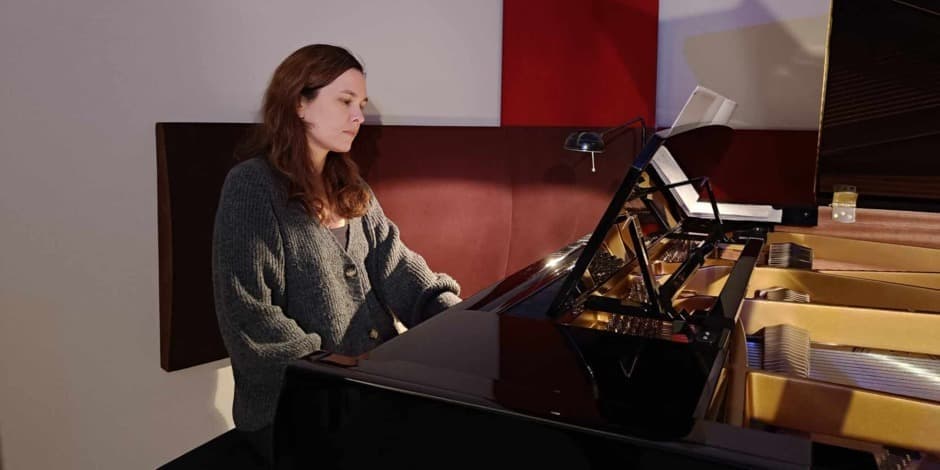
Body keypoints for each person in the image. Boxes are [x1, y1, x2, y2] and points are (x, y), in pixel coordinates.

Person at [211, 44, 462, 464]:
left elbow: (399, 268)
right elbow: (250, 314)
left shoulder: (351, 187)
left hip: (370, 392)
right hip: (294, 410)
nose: (359, 116)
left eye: (360, 104)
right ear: (299, 103)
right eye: (346, 101)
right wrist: (333, 373)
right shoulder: (252, 186)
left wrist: (455, 317)